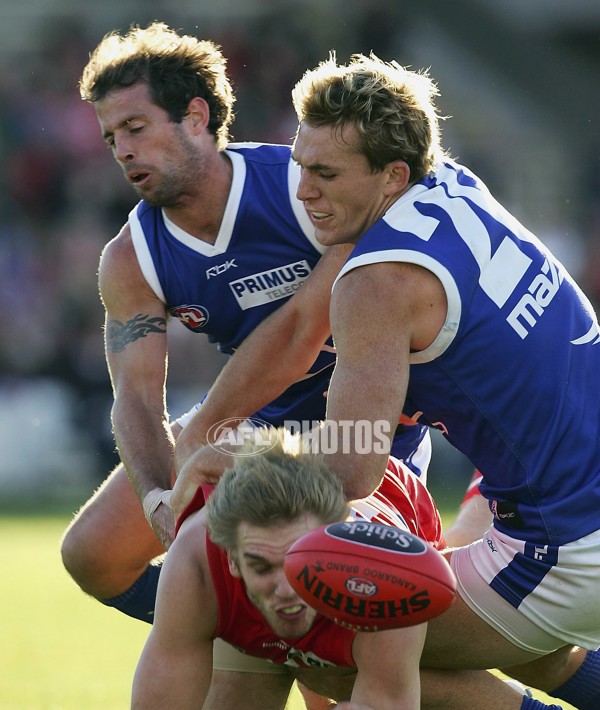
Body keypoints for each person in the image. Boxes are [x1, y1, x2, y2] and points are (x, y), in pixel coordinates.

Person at [166, 54, 600, 710]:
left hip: (563, 536)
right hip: (551, 498)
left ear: (392, 174)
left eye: (327, 174)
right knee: (483, 629)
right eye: (300, 165)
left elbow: (352, 466)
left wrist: (226, 454)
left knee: (337, 636)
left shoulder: (375, 280)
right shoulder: (450, 183)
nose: (303, 192)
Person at [60, 22, 430, 627]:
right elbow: (134, 395)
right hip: (253, 426)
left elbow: (300, 332)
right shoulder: (131, 257)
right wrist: (158, 495)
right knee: (92, 555)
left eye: (136, 127)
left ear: (197, 116)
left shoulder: (305, 183)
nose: (123, 150)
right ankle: (253, 632)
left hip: (362, 431)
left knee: (339, 638)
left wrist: (202, 432)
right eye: (110, 138)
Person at [132, 429, 600, 710]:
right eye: (259, 566)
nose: (284, 590)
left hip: (399, 512)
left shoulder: (383, 579)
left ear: (333, 539)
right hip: (256, 551)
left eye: (299, 560)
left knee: (339, 676)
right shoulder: (197, 558)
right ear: (231, 559)